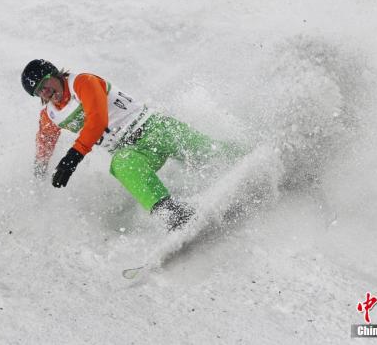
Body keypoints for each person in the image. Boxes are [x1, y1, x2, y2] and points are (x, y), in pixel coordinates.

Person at [21, 59, 241, 230]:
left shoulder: (82, 82)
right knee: (121, 163)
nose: (45, 92)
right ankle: (173, 215)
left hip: (155, 128)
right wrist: (39, 172)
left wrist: (72, 158)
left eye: (45, 83)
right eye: (38, 91)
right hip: (132, 151)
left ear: (55, 74)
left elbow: (97, 120)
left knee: (211, 153)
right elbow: (45, 142)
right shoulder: (51, 115)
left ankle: (251, 155)